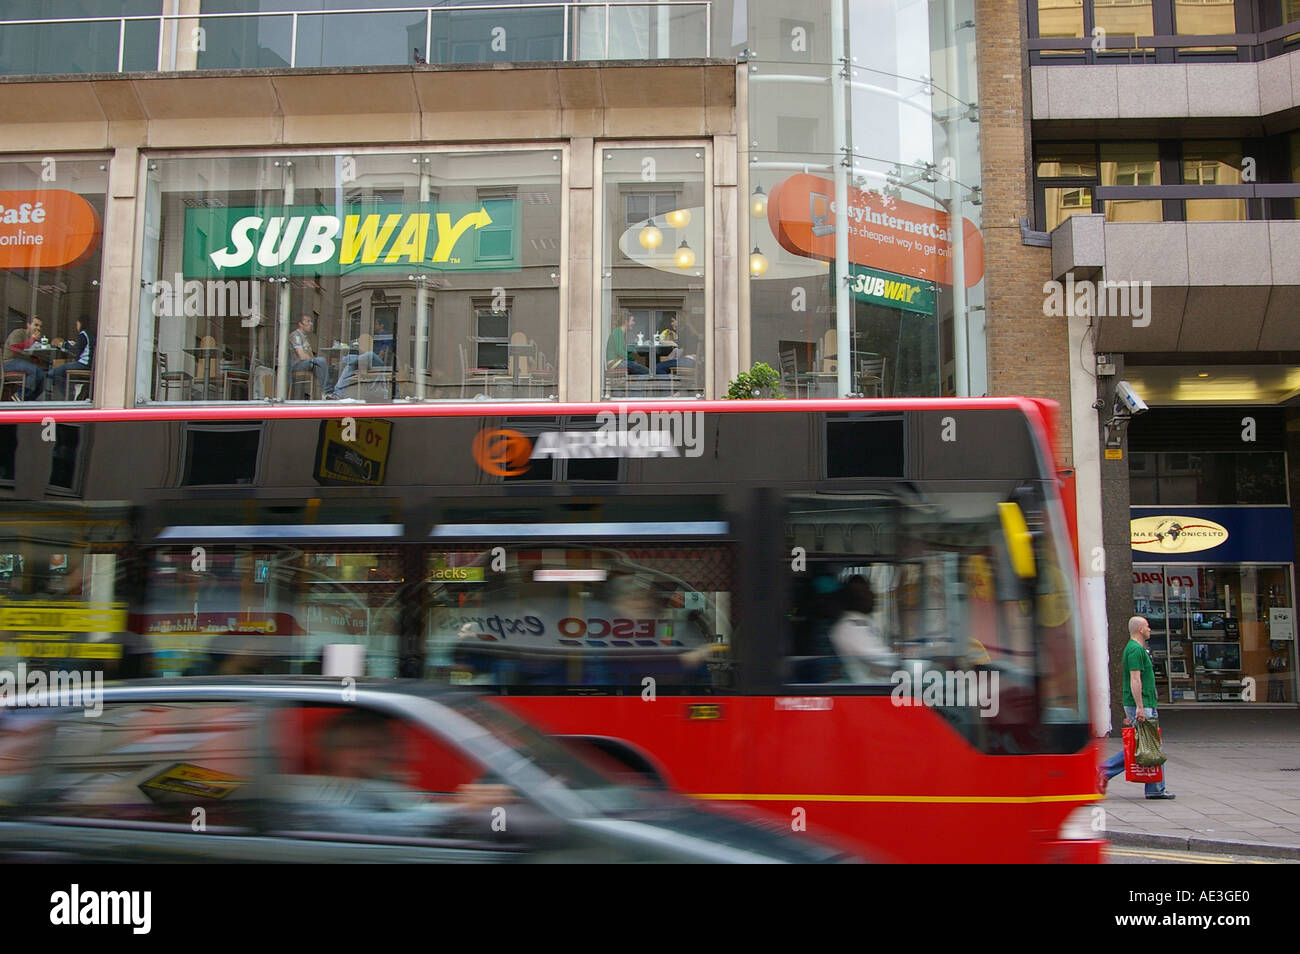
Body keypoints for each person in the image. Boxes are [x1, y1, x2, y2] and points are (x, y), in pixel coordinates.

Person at [1098, 615, 1175, 799]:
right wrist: (1139, 707)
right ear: (1140, 629)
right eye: (1147, 627)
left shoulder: (1137, 649)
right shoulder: (1134, 650)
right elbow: (1135, 679)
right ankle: (1104, 770)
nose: (1150, 630)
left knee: (1145, 745)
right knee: (1147, 745)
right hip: (1143, 704)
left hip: (1144, 703)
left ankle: (1154, 788)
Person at [828, 574, 896, 683]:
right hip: (869, 690)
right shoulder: (850, 628)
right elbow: (879, 662)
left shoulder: (863, 622)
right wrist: (901, 659)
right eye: (866, 591)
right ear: (853, 598)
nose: (873, 595)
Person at [332, 318, 396, 397]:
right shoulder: (376, 336)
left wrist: (366, 358)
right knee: (350, 365)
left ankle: (346, 359)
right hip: (371, 361)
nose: (374, 326)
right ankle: (338, 393)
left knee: (369, 354)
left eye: (376, 324)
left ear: (381, 325)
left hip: (380, 364)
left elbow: (382, 354)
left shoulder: (385, 335)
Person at [48, 315, 93, 400]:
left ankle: (69, 397)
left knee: (53, 373)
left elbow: (76, 351)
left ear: (81, 324)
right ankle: (70, 392)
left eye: (77, 324)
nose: (76, 327)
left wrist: (64, 344)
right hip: (87, 364)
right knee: (62, 373)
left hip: (83, 364)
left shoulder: (83, 334)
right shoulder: (90, 335)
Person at [4, 315, 46, 401]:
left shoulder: (33, 339)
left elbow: (28, 354)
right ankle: (19, 396)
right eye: (36, 325)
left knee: (42, 377)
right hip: (9, 362)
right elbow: (14, 349)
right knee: (36, 371)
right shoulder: (18, 333)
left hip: (20, 362)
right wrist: (33, 340)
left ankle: (27, 400)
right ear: (28, 325)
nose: (38, 328)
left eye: (40, 326)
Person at [289, 314, 332, 397]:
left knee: (331, 368)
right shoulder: (296, 335)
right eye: (308, 321)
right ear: (300, 324)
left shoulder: (304, 337)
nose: (311, 323)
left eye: (311, 321)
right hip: (297, 364)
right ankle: (327, 391)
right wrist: (314, 360)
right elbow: (302, 356)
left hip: (306, 363)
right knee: (321, 360)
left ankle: (329, 394)